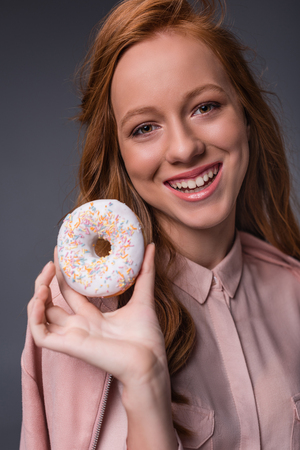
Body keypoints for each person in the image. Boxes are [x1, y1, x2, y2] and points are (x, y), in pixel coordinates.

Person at [20, 0, 300, 448]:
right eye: (144, 128)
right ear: (119, 155)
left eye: (205, 107)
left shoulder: (294, 290)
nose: (184, 149)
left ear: (245, 116)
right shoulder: (82, 316)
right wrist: (146, 383)